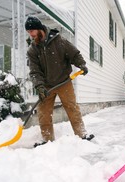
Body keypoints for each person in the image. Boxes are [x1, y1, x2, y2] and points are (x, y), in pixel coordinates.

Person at [25, 16, 94, 146]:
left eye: (32, 31)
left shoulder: (59, 41)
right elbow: (34, 71)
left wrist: (82, 65)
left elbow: (74, 54)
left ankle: (82, 134)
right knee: (44, 112)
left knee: (72, 108)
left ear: (40, 29)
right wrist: (39, 86)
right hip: (46, 85)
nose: (31, 35)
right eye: (29, 32)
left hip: (63, 81)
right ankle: (47, 139)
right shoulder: (33, 49)